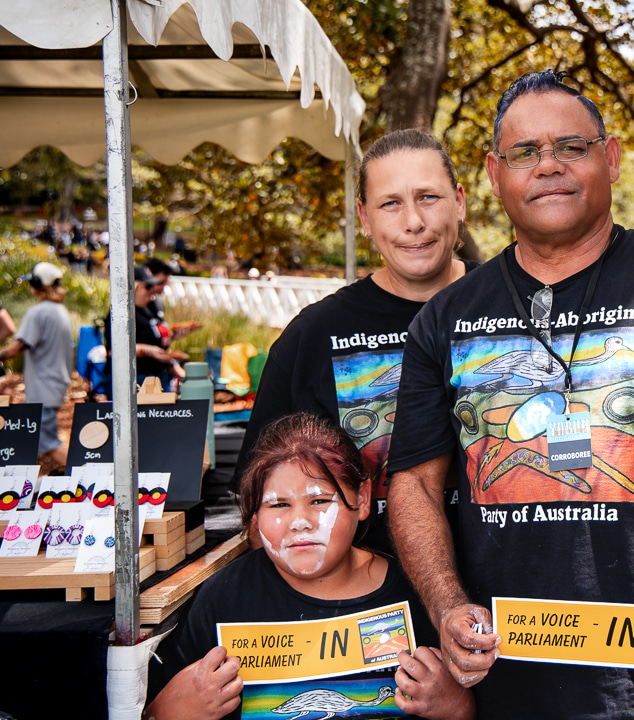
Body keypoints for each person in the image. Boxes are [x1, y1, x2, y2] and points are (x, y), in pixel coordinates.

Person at [385, 70, 634, 720]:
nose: (547, 166)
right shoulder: (445, 318)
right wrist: (445, 602)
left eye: (571, 147)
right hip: (504, 684)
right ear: (494, 175)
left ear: (610, 158)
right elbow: (412, 483)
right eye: (525, 152)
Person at [233, 129, 475, 556]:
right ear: (364, 217)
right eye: (391, 204)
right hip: (368, 607)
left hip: (509, 598)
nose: (413, 222)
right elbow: (259, 500)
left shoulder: (515, 309)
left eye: (428, 197)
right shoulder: (313, 335)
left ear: (459, 201)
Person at [145, 413, 475, 720]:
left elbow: (473, 703)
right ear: (254, 512)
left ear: (361, 498)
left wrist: (458, 706)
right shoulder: (223, 599)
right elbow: (155, 708)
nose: (300, 522)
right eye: (279, 504)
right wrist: (171, 709)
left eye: (319, 501)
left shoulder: (416, 595)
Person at [0, 263, 74, 468]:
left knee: (47, 443)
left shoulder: (38, 313)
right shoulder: (60, 311)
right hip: (55, 386)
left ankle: (88, 480)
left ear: (38, 283)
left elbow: (14, 349)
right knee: (27, 438)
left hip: (43, 388)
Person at [103, 265, 185, 393]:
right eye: (147, 287)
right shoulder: (120, 315)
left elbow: (154, 338)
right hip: (133, 379)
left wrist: (172, 338)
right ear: (133, 288)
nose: (152, 291)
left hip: (157, 376)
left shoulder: (150, 309)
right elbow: (114, 350)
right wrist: (147, 350)